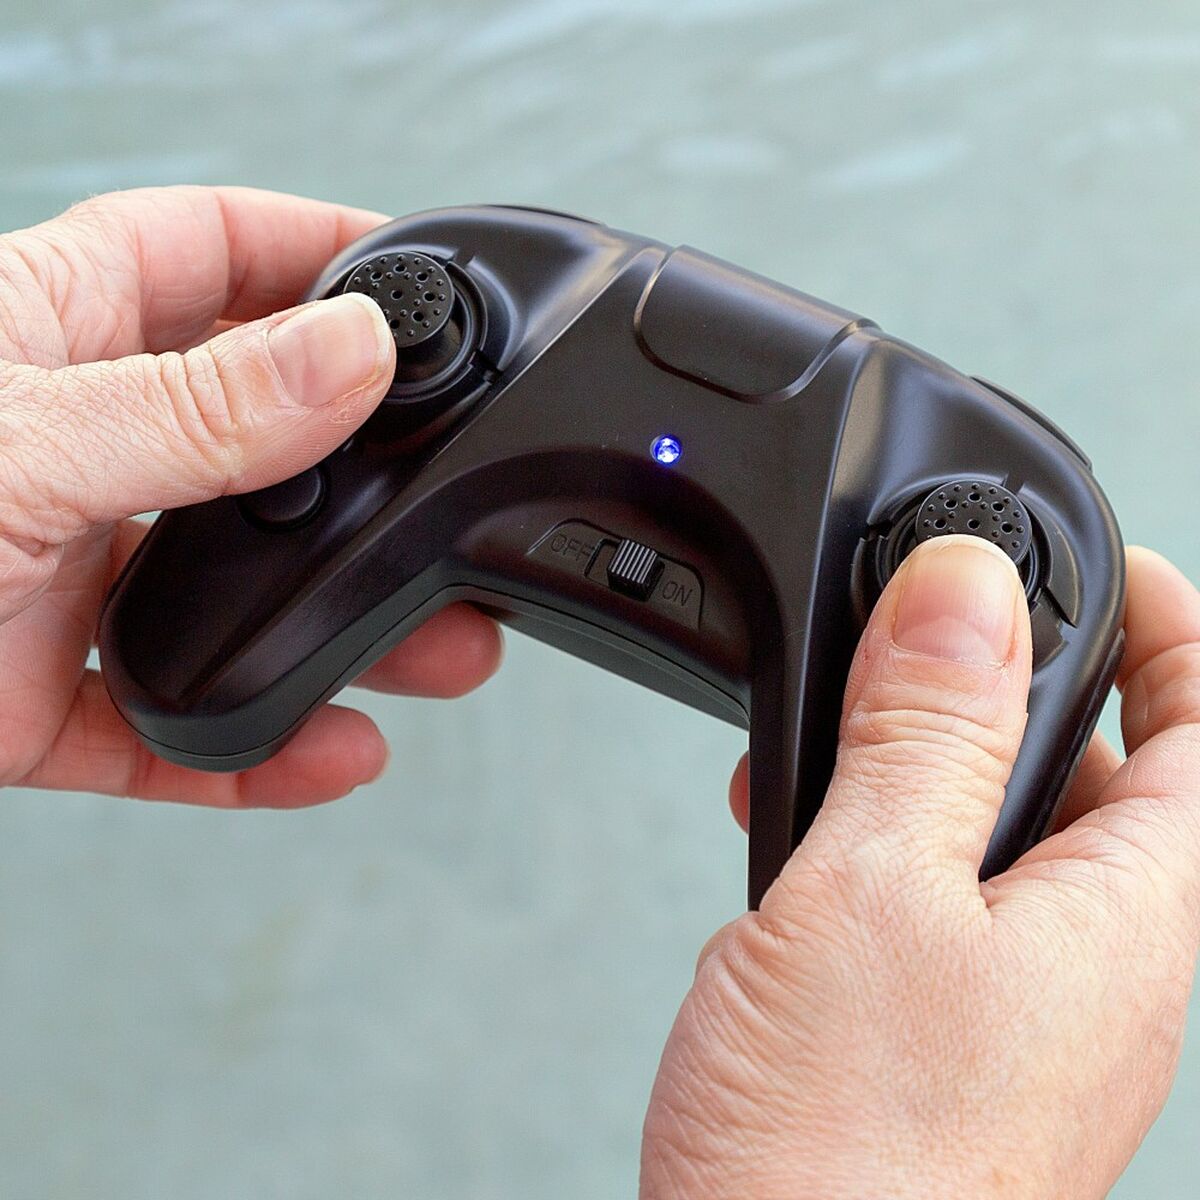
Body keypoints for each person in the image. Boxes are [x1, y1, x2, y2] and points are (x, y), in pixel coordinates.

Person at [0, 187, 1197, 1199]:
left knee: (188, 670)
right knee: (902, 925)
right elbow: (920, 1015)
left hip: (483, 369)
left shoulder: (487, 279)